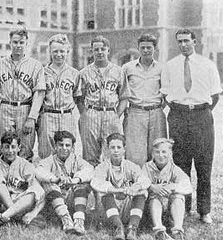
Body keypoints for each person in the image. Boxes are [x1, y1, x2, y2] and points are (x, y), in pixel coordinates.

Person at [160, 28, 221, 224]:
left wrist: (199, 110)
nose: (183, 44)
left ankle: (204, 210)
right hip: (178, 116)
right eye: (180, 41)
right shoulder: (170, 66)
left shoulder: (207, 65)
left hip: (202, 116)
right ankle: (183, 207)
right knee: (180, 164)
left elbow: (215, 95)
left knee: (203, 165)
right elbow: (165, 94)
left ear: (194, 41)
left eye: (187, 40)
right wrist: (181, 110)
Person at [0, 27, 45, 160]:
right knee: (4, 145)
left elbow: (39, 93)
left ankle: (23, 177)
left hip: (25, 107)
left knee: (26, 146)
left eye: (21, 43)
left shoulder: (35, 65)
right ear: (10, 43)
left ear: (26, 44)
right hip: (5, 106)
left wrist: (32, 117)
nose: (18, 45)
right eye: (15, 42)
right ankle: (5, 177)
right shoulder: (0, 63)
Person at [78, 36, 128, 167]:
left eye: (103, 49)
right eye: (96, 49)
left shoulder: (118, 71)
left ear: (108, 51)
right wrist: (84, 113)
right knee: (89, 154)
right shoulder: (84, 72)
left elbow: (124, 97)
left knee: (113, 152)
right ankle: (89, 185)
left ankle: (111, 184)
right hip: (91, 113)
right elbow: (78, 97)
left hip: (111, 113)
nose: (100, 52)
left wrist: (116, 115)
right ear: (92, 51)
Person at [90, 133, 150, 240]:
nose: (116, 150)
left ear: (124, 149)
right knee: (104, 192)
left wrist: (135, 187)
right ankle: (118, 228)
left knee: (142, 191)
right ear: (107, 149)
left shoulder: (131, 166)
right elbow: (95, 182)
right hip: (108, 211)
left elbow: (145, 180)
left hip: (127, 209)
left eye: (119, 147)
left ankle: (132, 228)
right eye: (112, 147)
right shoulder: (102, 167)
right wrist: (115, 190)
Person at [36, 131, 94, 235]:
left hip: (73, 200)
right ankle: (66, 219)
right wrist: (56, 179)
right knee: (48, 183)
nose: (64, 148)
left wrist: (75, 180)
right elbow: (39, 171)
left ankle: (79, 221)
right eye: (60, 145)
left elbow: (90, 170)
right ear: (55, 146)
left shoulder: (77, 160)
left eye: (67, 145)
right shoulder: (49, 160)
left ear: (72, 147)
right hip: (54, 203)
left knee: (84, 183)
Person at [122, 34, 166, 166]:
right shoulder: (127, 67)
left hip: (156, 113)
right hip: (135, 113)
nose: (146, 50)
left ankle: (156, 184)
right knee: (135, 154)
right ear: (138, 48)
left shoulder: (162, 68)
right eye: (143, 47)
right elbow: (122, 92)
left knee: (158, 151)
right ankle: (136, 184)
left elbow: (166, 92)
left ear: (155, 48)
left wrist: (157, 108)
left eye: (149, 47)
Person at [0, 131, 45, 227]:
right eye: (6, 147)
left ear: (19, 148)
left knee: (36, 189)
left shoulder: (26, 165)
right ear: (1, 148)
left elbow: (40, 193)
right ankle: (13, 216)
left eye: (13, 147)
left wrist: (33, 213)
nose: (10, 151)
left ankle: (5, 217)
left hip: (20, 202)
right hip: (0, 203)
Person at [37, 34, 80, 159]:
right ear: (50, 52)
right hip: (48, 115)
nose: (59, 54)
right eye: (55, 51)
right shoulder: (42, 72)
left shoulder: (74, 73)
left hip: (67, 115)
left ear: (68, 51)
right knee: (46, 153)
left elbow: (78, 98)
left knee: (68, 151)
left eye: (62, 51)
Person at [143, 138, 191, 240]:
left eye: (164, 152)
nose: (161, 155)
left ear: (170, 153)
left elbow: (188, 186)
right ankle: (159, 231)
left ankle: (178, 231)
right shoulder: (147, 167)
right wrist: (152, 187)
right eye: (157, 152)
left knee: (178, 196)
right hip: (153, 209)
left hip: (170, 209)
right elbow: (141, 181)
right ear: (152, 154)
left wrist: (172, 187)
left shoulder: (174, 169)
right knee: (155, 197)